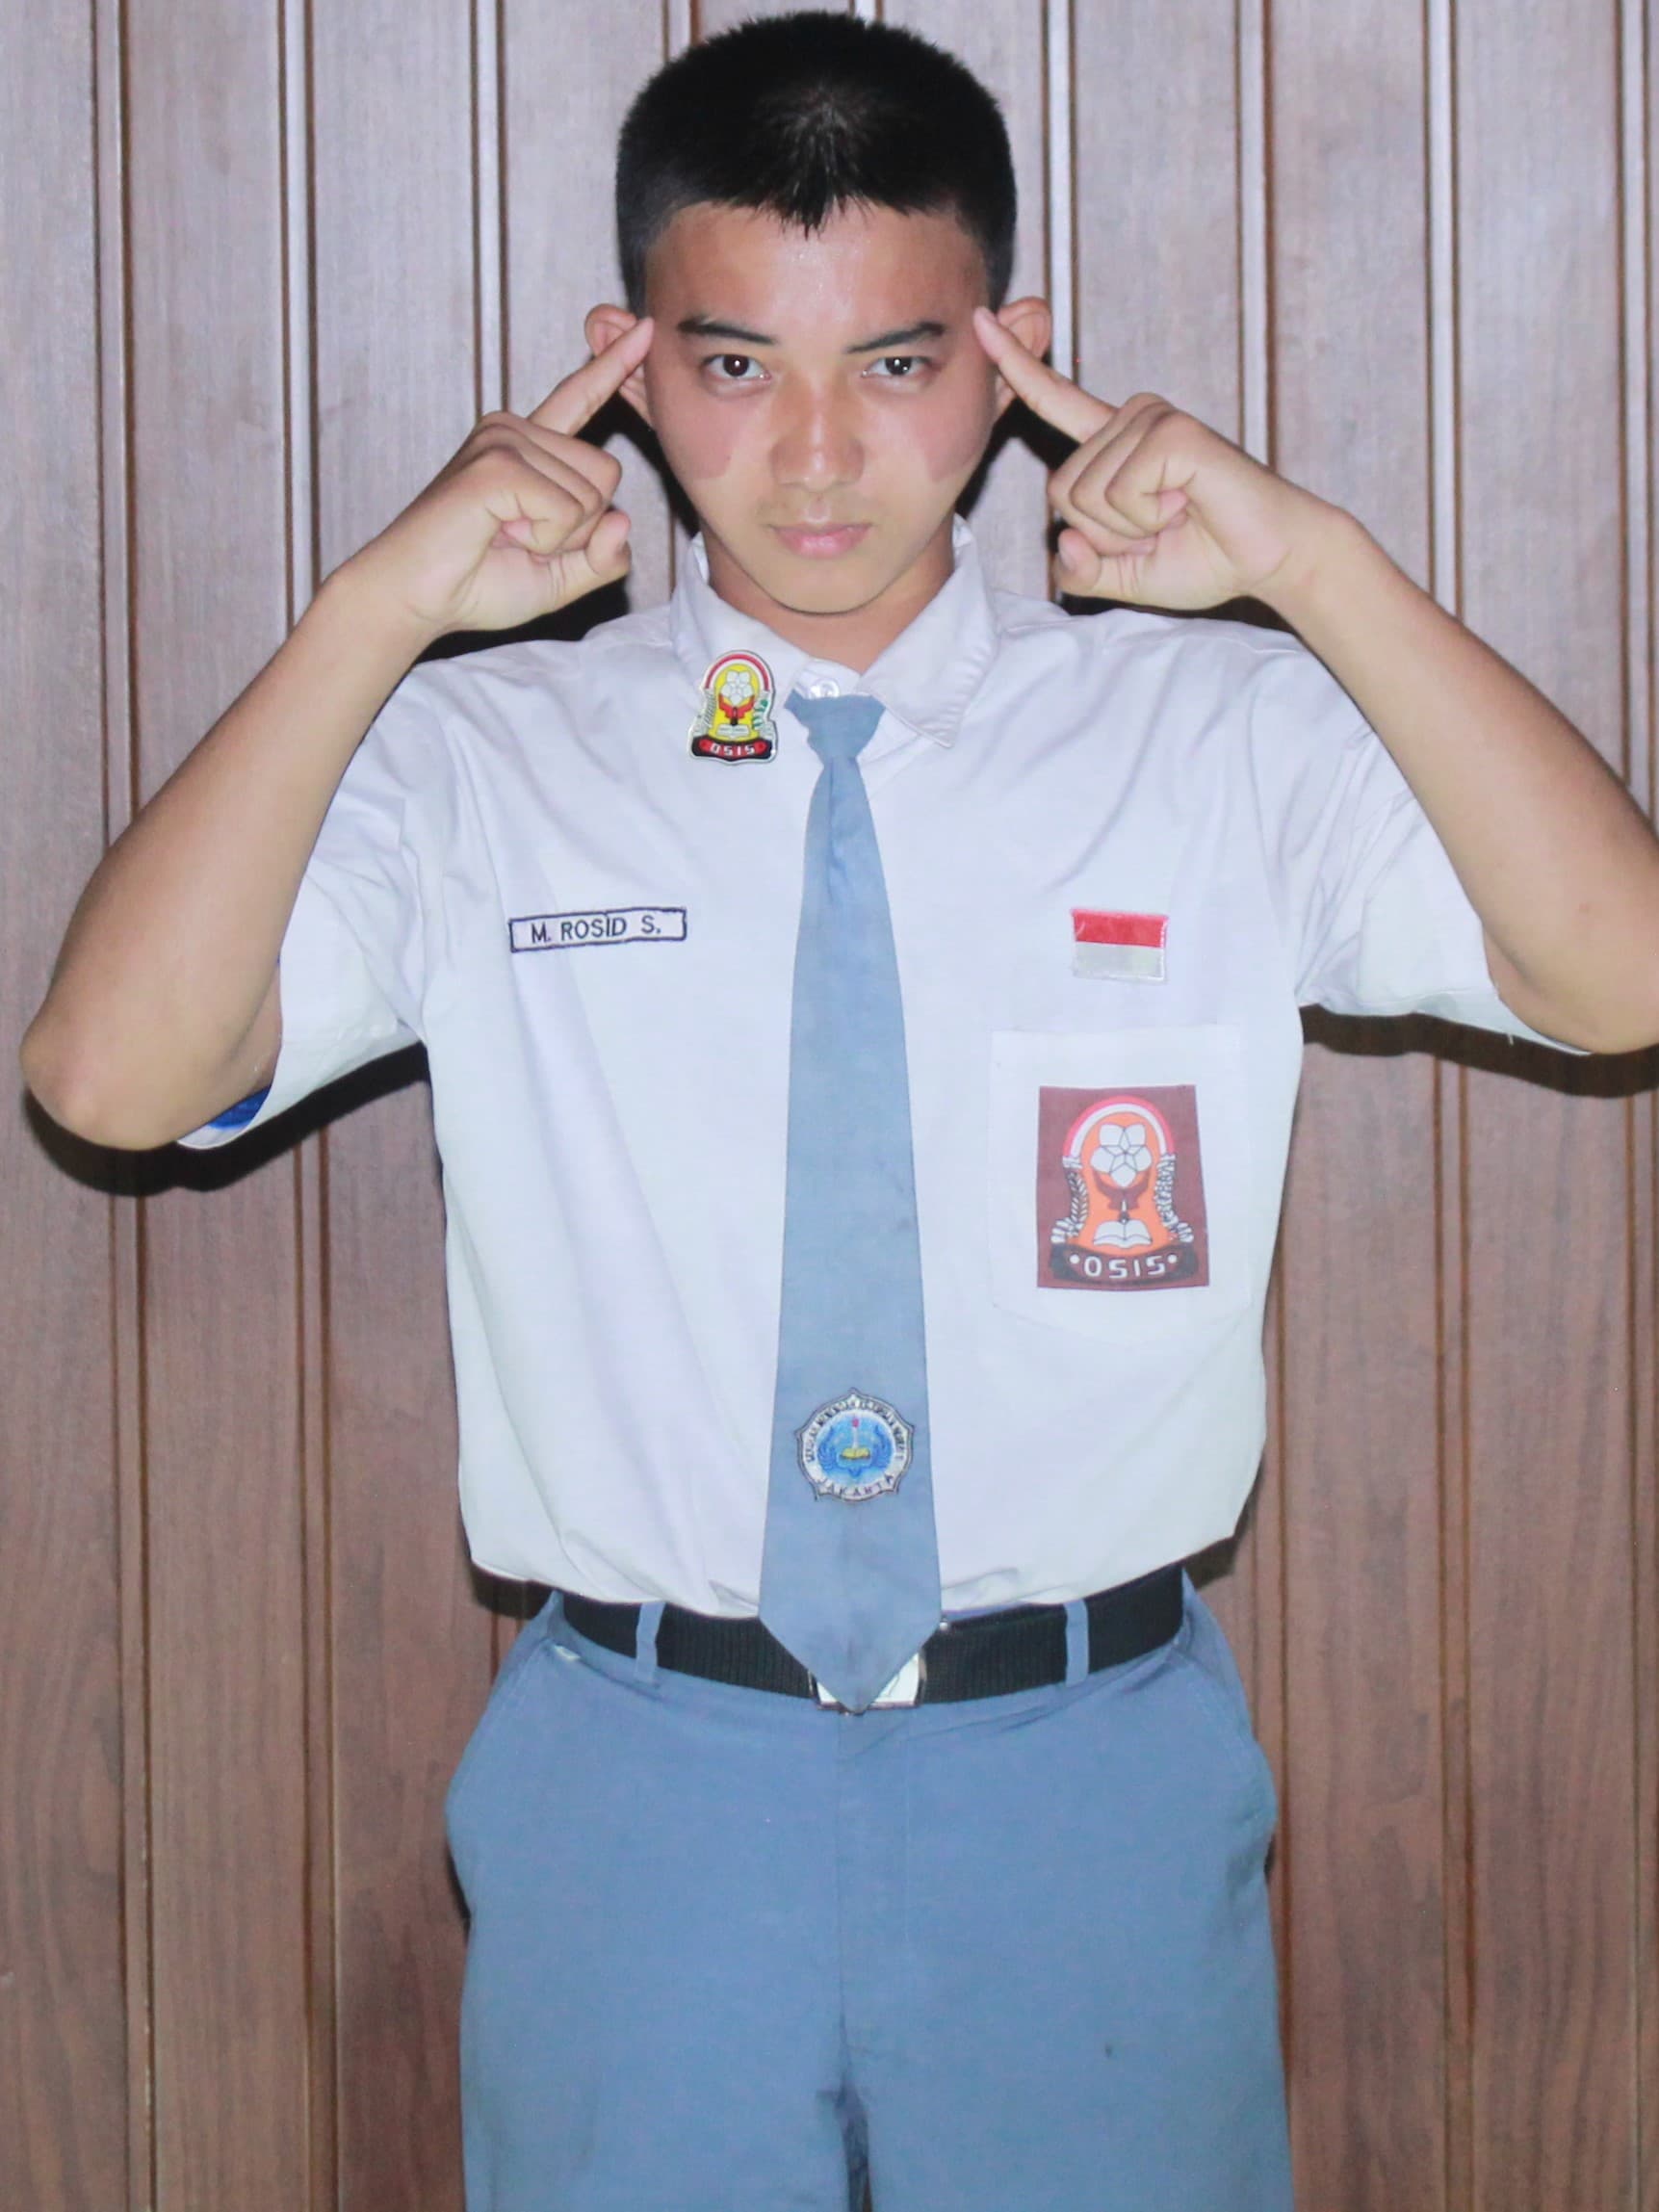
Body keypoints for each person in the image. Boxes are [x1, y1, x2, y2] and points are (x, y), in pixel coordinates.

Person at [20, 13, 1659, 2210]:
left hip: (1085, 1768)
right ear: (621, 364)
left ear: (1010, 356)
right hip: (641, 1777)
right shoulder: (479, 759)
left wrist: (1318, 566)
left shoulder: (1219, 737)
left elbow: (1622, 975)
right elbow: (110, 1080)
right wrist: (368, 608)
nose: (811, 455)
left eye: (893, 363)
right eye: (731, 365)